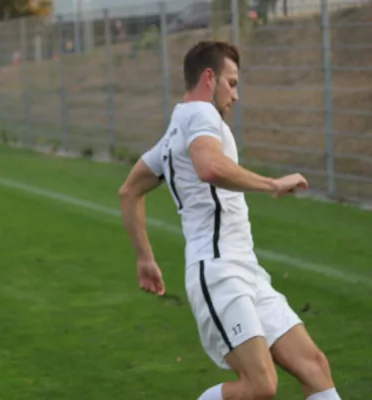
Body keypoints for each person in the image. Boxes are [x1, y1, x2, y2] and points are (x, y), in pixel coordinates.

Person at [118, 40, 341, 400]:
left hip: (245, 269)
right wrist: (272, 183)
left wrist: (145, 258)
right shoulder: (201, 115)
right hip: (219, 271)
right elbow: (209, 167)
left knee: (314, 366)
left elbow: (128, 193)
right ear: (210, 77)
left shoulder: (174, 132)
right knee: (260, 386)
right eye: (232, 83)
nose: (235, 95)